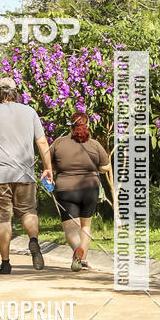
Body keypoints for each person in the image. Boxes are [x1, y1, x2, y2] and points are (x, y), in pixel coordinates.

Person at [0, 77, 53, 274]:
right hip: (24, 173)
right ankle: (33, 240)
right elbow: (42, 142)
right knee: (28, 211)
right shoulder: (30, 112)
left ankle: (5, 263)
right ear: (16, 92)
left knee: (3, 219)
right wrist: (48, 167)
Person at [50, 112, 111, 271]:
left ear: (70, 127)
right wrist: (93, 168)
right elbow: (106, 167)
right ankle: (81, 260)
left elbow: (49, 165)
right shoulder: (95, 144)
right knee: (86, 226)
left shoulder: (58, 143)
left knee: (70, 227)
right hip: (89, 189)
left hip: (65, 190)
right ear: (87, 127)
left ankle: (77, 248)